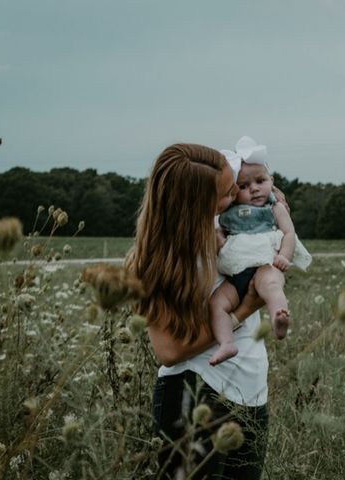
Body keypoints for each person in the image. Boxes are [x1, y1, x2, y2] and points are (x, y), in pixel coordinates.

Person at [126, 143, 270, 479]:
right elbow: (169, 351)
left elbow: (269, 198)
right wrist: (244, 310)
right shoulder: (156, 262)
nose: (237, 192)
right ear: (197, 206)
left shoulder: (230, 231)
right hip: (194, 397)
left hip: (251, 395)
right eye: (226, 191)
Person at [208, 136, 312, 366]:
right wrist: (221, 243)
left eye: (260, 181)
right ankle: (226, 343)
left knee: (272, 286)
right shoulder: (228, 212)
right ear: (233, 191)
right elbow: (220, 234)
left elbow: (288, 233)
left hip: (266, 265)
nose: (254, 189)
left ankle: (278, 317)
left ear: (271, 181)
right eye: (244, 186)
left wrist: (284, 256)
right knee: (217, 304)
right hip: (236, 274)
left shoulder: (275, 208)